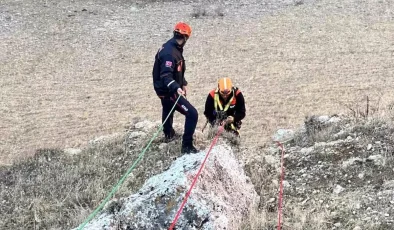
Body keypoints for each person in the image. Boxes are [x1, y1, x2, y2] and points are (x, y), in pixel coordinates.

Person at [152, 22, 199, 154]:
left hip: (164, 89)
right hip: (168, 91)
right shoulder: (170, 53)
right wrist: (175, 87)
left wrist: (183, 82)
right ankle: (187, 146)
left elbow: (176, 70)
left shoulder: (173, 47)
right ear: (186, 38)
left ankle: (168, 134)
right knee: (192, 114)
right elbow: (166, 75)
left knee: (167, 108)